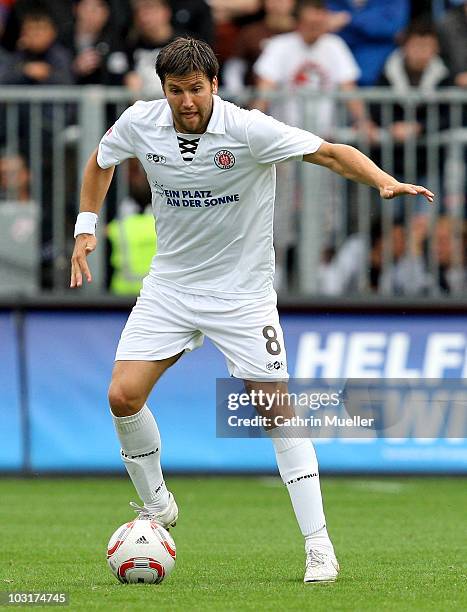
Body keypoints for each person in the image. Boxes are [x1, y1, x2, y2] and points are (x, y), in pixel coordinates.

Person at [70, 37, 433, 583]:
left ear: (214, 84)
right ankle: (158, 505)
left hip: (242, 296)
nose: (187, 101)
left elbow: (329, 152)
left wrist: (382, 181)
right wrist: (85, 228)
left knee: (276, 412)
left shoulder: (249, 130)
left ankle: (319, 547)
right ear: (163, 90)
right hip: (171, 287)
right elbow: (101, 161)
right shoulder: (141, 122)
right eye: (176, 91)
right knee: (122, 395)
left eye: (196, 89)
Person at [325, 0, 410, 86]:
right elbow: (324, 25)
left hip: (378, 76)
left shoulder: (394, 2)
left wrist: (349, 19)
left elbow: (392, 27)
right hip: (335, 80)